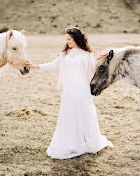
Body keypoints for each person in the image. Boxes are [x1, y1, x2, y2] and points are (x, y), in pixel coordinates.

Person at [27, 27, 114, 159]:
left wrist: (99, 58)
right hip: (69, 88)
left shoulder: (86, 55)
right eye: (66, 39)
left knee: (82, 112)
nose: (67, 42)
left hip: (81, 88)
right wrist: (36, 66)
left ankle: (85, 140)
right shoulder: (65, 54)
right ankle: (70, 142)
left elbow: (92, 67)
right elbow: (54, 64)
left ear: (76, 39)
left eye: (69, 39)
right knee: (68, 113)